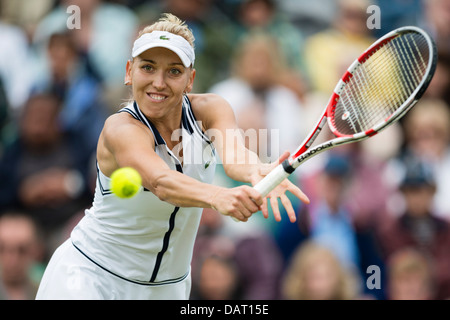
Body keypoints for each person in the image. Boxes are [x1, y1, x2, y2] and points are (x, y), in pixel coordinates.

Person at [35, 13, 309, 300]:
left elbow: (236, 156)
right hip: (90, 277)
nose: (159, 82)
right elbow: (161, 182)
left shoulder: (211, 109)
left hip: (167, 289)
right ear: (129, 72)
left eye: (174, 71)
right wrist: (219, 197)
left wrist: (258, 171)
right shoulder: (121, 129)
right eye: (148, 68)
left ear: (190, 79)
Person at [0, 213, 43, 300]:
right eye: (2, 249)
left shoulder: (46, 283)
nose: (12, 260)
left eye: (22, 250)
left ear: (36, 251)